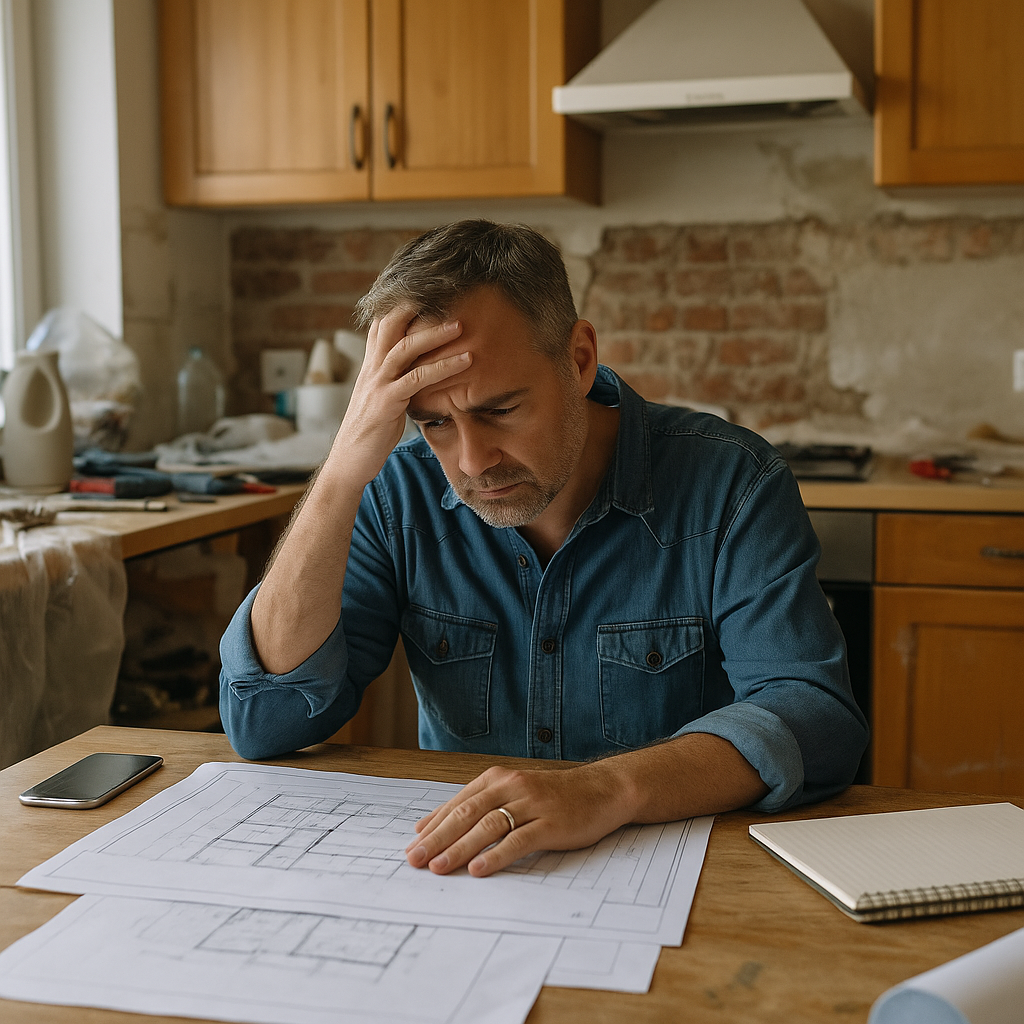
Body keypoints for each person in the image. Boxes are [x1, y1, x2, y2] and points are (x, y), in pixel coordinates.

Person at [219, 219, 868, 880]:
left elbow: (813, 719)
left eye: (500, 410)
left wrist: (607, 789)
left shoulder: (731, 482)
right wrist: (339, 473)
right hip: (475, 881)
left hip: (682, 878)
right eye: (435, 423)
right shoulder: (394, 494)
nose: (473, 461)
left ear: (579, 359)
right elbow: (264, 722)